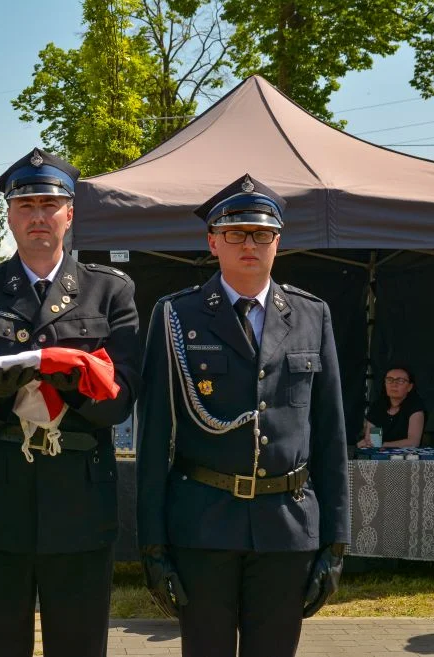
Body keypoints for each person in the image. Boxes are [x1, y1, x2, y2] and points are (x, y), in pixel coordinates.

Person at [135, 174, 350, 657]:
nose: (248, 244)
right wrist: (153, 546)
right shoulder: (177, 316)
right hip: (203, 524)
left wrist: (335, 543)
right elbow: (152, 440)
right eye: (235, 233)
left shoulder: (312, 315)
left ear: (279, 241)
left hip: (286, 526)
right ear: (212, 242)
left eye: (261, 234)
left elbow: (331, 438)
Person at [0, 148, 141, 657]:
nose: (38, 216)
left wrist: (72, 382)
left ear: (69, 214)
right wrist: (1, 393)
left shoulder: (109, 291)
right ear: (10, 216)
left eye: (49, 205)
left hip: (78, 500)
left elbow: (119, 403)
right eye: (26, 204)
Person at [357, 364, 425, 448]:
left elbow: (413, 443)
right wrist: (368, 443)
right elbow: (373, 440)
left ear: (410, 387)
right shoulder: (377, 407)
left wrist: (383, 445)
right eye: (389, 380)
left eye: (400, 381)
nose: (394, 384)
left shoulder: (415, 408)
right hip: (379, 456)